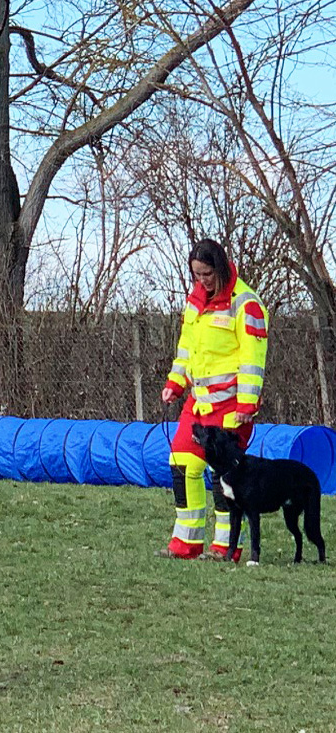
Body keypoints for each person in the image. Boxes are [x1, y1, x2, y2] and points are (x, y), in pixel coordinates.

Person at [158, 238, 268, 560]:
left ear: (219, 267)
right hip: (199, 401)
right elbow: (187, 349)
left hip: (231, 406)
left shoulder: (246, 304)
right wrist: (175, 383)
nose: (202, 281)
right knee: (181, 463)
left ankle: (226, 548)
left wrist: (247, 405)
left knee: (224, 476)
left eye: (207, 274)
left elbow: (253, 359)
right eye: (197, 275)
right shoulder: (194, 303)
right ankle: (185, 545)